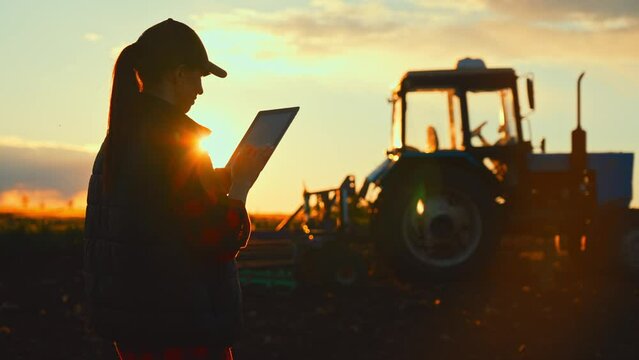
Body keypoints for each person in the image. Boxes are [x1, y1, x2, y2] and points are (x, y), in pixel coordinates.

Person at [83, 18, 268, 360]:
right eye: (198, 76)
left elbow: (155, 213)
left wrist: (215, 181)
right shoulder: (179, 143)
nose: (200, 89)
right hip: (184, 328)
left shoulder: (116, 143)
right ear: (178, 74)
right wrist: (241, 186)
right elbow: (216, 237)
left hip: (135, 332)